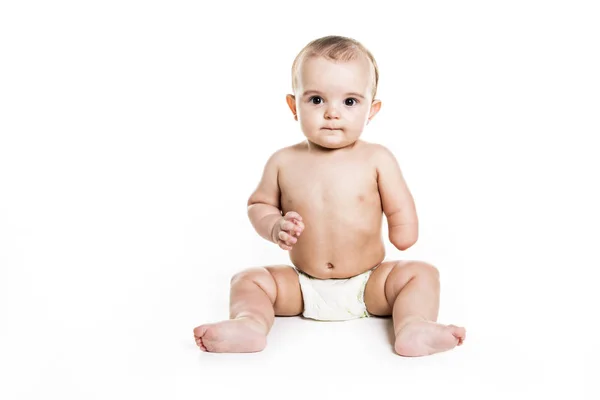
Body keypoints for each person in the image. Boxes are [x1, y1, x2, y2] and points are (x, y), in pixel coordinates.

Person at [194, 35, 466, 356]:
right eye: (316, 100)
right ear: (294, 106)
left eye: (349, 102)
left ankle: (413, 325)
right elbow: (259, 204)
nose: (332, 113)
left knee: (421, 273)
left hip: (370, 284)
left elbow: (399, 205)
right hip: (301, 286)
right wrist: (274, 225)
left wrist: (403, 227)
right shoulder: (283, 161)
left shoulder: (377, 158)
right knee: (249, 279)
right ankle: (250, 323)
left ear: (371, 110)